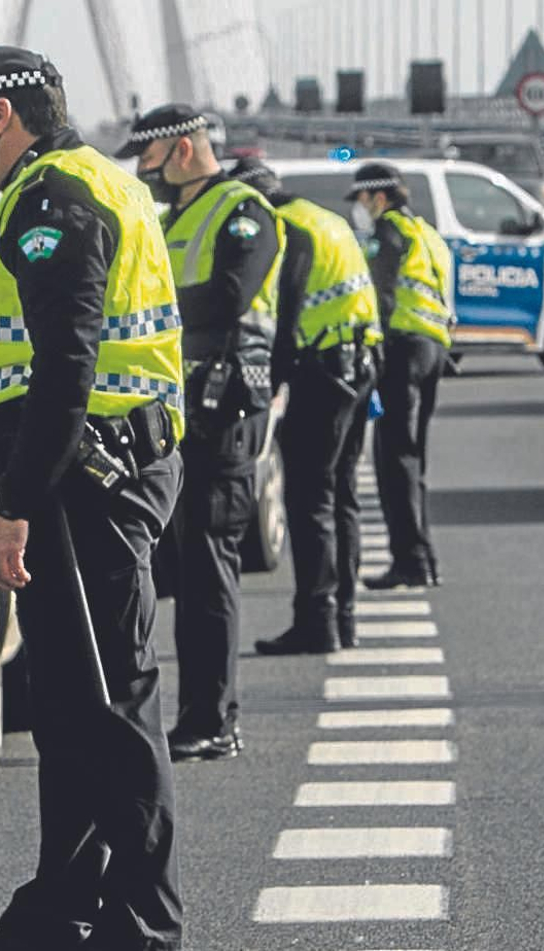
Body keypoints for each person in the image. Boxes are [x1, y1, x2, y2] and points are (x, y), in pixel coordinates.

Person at [0, 47, 185, 951]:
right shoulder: (99, 183)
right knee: (74, 710)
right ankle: (61, 908)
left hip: (86, 482)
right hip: (92, 468)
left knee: (112, 706)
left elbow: (67, 364)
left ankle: (146, 924)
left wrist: (19, 505)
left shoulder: (50, 199)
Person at [116, 104, 283, 762]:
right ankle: (194, 711)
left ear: (182, 149)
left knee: (211, 563)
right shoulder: (173, 216)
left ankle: (212, 716)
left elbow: (230, 295)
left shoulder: (243, 209)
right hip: (179, 410)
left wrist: (146, 304)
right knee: (181, 564)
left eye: (148, 156)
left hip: (227, 407)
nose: (141, 169)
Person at [232, 159, 383, 654]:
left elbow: (289, 306)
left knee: (308, 498)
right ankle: (345, 616)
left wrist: (270, 383)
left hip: (322, 372)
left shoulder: (286, 228)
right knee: (341, 494)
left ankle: (317, 621)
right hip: (358, 363)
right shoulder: (325, 219)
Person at [349, 162, 453, 590]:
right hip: (433, 350)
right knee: (414, 460)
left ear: (379, 197)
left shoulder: (388, 231)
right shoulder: (426, 233)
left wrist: (371, 346)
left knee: (396, 462)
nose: (359, 208)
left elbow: (382, 293)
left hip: (402, 351)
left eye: (360, 199)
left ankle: (410, 561)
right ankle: (423, 558)